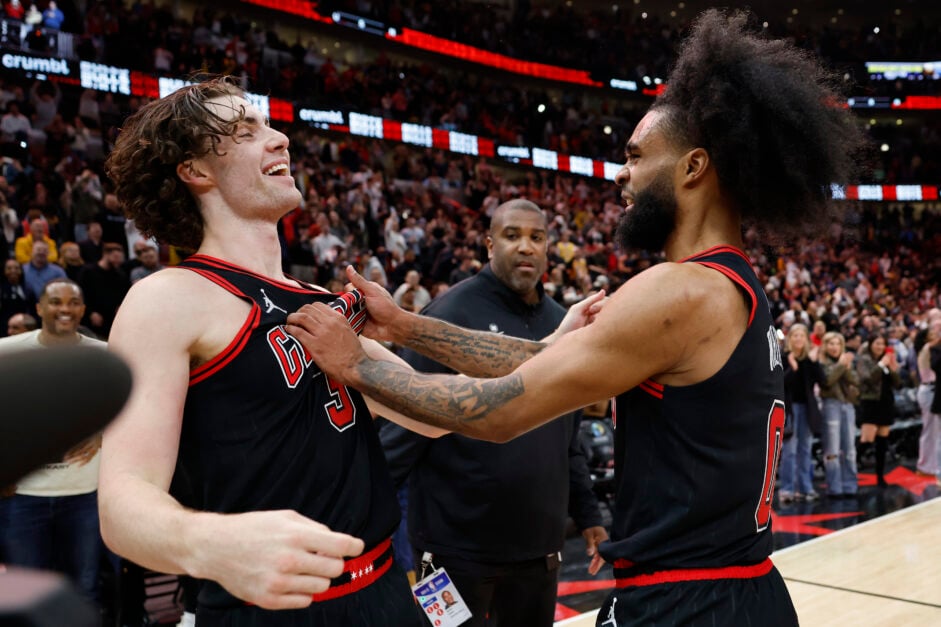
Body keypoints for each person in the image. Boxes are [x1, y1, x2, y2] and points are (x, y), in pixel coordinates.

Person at [286, 10, 866, 625]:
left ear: (693, 168)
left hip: (688, 600)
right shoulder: (730, 282)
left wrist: (354, 365)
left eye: (636, 156)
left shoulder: (681, 292)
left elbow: (504, 411)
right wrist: (406, 328)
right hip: (735, 588)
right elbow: (542, 363)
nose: (622, 174)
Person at [95, 76, 596, 626]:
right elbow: (123, 502)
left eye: (267, 122)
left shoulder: (322, 303)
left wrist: (552, 347)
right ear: (195, 171)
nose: (279, 137)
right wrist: (207, 542)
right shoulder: (166, 298)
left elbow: (434, 410)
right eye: (244, 131)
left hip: (382, 593)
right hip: (272, 606)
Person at [380, 199, 607, 627]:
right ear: (488, 245)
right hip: (451, 551)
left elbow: (568, 436)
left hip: (539, 550)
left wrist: (589, 514)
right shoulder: (448, 316)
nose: (526, 247)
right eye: (512, 235)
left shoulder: (565, 324)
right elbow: (400, 431)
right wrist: (362, 521)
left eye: (536, 238)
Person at [0, 279, 105, 602]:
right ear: (39, 308)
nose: (65, 309)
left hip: (85, 495)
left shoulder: (106, 355)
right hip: (23, 497)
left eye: (73, 303)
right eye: (56, 301)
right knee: (25, 594)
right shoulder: (7, 353)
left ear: (83, 310)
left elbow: (138, 408)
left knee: (85, 588)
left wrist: (103, 434)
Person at [778, 323, 824, 503]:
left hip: (807, 409)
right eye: (795, 336)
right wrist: (792, 368)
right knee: (789, 451)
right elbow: (780, 383)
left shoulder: (809, 359)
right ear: (790, 339)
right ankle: (787, 489)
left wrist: (813, 362)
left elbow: (823, 380)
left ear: (806, 339)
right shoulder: (783, 357)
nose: (798, 339)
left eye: (801, 336)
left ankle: (805, 487)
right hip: (789, 409)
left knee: (805, 449)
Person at [818, 331, 860, 498]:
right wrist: (842, 366)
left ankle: (850, 485)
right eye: (831, 344)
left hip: (848, 405)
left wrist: (846, 368)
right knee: (832, 449)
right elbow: (827, 381)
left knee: (850, 449)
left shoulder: (847, 362)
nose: (834, 347)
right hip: (830, 405)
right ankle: (834, 487)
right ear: (825, 346)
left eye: (837, 344)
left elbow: (856, 381)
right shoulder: (822, 363)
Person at [856, 334, 901, 487]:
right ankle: (850, 468)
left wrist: (893, 369)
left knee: (882, 441)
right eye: (877, 343)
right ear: (870, 344)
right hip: (870, 403)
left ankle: (880, 476)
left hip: (886, 402)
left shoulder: (887, 361)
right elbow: (868, 379)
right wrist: (881, 365)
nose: (880, 347)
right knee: (867, 439)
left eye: (882, 344)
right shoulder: (864, 360)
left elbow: (897, 383)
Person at [914, 322, 940, 482]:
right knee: (930, 430)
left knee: (935, 431)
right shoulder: (928, 348)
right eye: (933, 334)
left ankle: (932, 465)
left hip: (933, 390)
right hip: (929, 390)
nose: (936, 335)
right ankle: (924, 466)